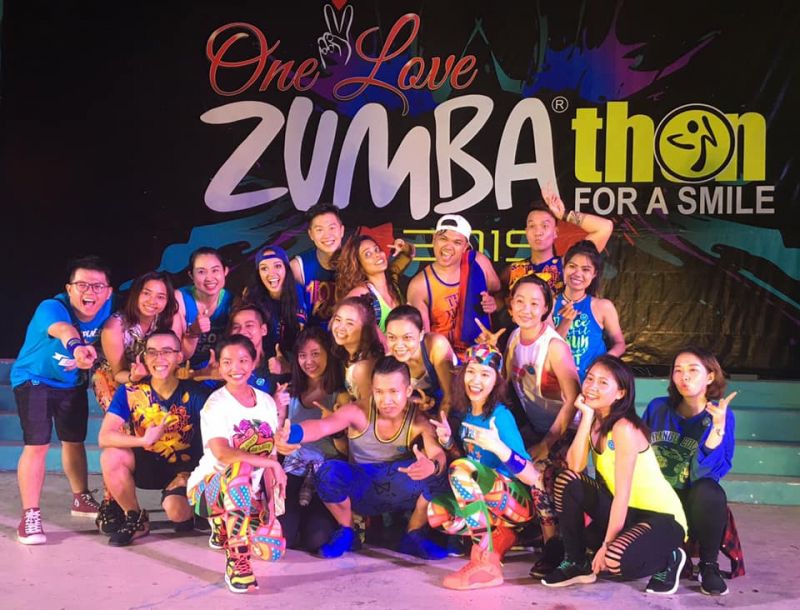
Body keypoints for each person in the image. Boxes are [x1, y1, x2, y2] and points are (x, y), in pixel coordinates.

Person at [542, 355, 688, 596]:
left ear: (620, 393)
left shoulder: (624, 428)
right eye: (590, 379)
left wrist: (607, 544)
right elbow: (574, 466)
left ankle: (671, 556)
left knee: (614, 560)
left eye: (603, 383)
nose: (592, 387)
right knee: (567, 481)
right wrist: (586, 416)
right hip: (627, 513)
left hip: (662, 518)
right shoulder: (594, 421)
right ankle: (576, 562)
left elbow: (623, 494)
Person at [277, 355, 449, 560]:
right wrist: (291, 434)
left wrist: (431, 465)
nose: (386, 400)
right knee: (328, 471)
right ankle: (347, 531)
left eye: (394, 391)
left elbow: (437, 453)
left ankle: (414, 534)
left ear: (408, 391)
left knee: (442, 473)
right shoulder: (358, 411)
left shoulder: (419, 419)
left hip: (400, 489)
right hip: (362, 490)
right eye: (379, 392)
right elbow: (322, 426)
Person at [11, 256, 113, 544]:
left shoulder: (109, 309)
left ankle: (81, 498)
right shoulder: (52, 307)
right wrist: (78, 348)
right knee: (38, 445)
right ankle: (30, 515)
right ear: (69, 289)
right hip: (34, 378)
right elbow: (63, 330)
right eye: (82, 285)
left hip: (70, 383)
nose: (90, 292)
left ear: (108, 292)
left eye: (97, 286)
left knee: (74, 440)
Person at [427, 344, 540, 590]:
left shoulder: (501, 416)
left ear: (496, 381)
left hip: (517, 502)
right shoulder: (467, 413)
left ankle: (484, 560)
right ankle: (501, 537)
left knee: (460, 470)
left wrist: (499, 447)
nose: (476, 380)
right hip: (489, 500)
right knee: (437, 512)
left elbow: (532, 477)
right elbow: (469, 463)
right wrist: (447, 441)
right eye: (471, 372)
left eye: (485, 374)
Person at [187, 335, 288, 594]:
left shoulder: (266, 401)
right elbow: (223, 453)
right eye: (227, 362)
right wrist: (272, 465)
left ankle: (224, 526)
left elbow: (270, 454)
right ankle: (237, 561)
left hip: (247, 493)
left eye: (243, 360)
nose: (236, 368)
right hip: (206, 491)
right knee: (239, 467)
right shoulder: (215, 404)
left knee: (272, 550)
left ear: (254, 362)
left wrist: (270, 507)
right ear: (219, 366)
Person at [499, 274, 582, 576]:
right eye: (520, 301)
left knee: (537, 472)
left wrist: (547, 443)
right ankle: (512, 529)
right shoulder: (514, 338)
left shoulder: (554, 348)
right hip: (535, 426)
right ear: (511, 306)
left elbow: (574, 401)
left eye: (535, 303)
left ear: (547, 308)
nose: (526, 309)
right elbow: (506, 386)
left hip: (567, 431)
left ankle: (553, 545)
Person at [97, 330, 210, 545]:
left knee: (177, 513)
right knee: (111, 456)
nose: (159, 358)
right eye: (152, 352)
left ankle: (189, 506)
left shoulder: (196, 394)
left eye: (166, 351)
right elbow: (105, 436)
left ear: (179, 356)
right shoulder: (131, 391)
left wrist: (196, 477)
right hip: (147, 463)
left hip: (184, 469)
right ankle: (134, 517)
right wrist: (142, 441)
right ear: (144, 357)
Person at [643, 346, 739, 596]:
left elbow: (706, 473)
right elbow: (639, 452)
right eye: (678, 370)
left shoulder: (720, 416)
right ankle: (670, 561)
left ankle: (708, 566)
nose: (684, 376)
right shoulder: (657, 408)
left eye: (693, 370)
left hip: (694, 499)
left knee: (710, 491)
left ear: (710, 376)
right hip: (657, 497)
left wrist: (716, 429)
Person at [277, 326, 345, 552]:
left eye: (315, 354)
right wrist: (277, 408)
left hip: (325, 473)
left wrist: (334, 428)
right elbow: (278, 434)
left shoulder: (340, 395)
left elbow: (347, 449)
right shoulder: (289, 392)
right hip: (293, 470)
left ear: (328, 355)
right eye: (302, 355)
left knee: (316, 540)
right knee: (283, 537)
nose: (309, 361)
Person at [407, 214, 500, 359]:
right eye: (443, 239)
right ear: (434, 239)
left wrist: (494, 303)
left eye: (457, 242)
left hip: (481, 355)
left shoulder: (478, 263)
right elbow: (423, 341)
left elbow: (501, 294)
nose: (448, 247)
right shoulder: (420, 286)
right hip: (444, 360)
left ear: (465, 247)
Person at [502, 186, 614, 296]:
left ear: (555, 232)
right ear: (526, 232)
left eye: (545, 226)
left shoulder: (567, 265)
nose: (538, 232)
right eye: (532, 226)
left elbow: (605, 227)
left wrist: (564, 214)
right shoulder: (513, 270)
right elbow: (498, 296)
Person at [93, 271, 179, 410]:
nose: (152, 301)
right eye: (146, 293)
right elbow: (118, 374)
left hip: (152, 373)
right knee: (132, 417)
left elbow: (174, 357)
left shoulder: (167, 320)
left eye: (160, 296)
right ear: (136, 294)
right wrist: (134, 377)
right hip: (116, 376)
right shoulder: (115, 326)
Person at [552, 240, 625, 381]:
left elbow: (620, 344)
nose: (577, 273)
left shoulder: (602, 306)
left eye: (585, 269)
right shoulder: (549, 303)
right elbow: (545, 347)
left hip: (591, 384)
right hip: (555, 383)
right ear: (564, 267)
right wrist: (565, 322)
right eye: (572, 266)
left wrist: (601, 363)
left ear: (594, 274)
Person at [243, 245, 307, 374]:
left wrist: (289, 367)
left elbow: (303, 339)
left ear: (286, 268)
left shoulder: (298, 292)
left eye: (277, 266)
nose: (271, 273)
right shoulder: (252, 297)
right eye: (264, 268)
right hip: (260, 360)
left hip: (294, 362)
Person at [385, 305, 457, 416]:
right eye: (392, 338)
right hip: (425, 411)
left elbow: (450, 396)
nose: (399, 345)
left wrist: (438, 425)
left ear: (421, 334)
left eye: (407, 337)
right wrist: (414, 401)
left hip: (455, 405)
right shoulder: (390, 362)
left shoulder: (436, 346)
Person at [335, 234, 415, 332]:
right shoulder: (361, 293)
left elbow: (409, 253)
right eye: (368, 254)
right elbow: (339, 322)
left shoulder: (392, 277)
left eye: (377, 249)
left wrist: (402, 246)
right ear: (359, 265)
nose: (377, 255)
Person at [174, 247, 233, 369]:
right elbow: (176, 357)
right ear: (191, 275)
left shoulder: (233, 302)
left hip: (220, 370)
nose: (209, 278)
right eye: (201, 272)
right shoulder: (179, 299)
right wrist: (193, 333)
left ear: (225, 271)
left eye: (215, 270)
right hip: (183, 371)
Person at [290, 203, 345, 327]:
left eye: (332, 228)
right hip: (311, 336)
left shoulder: (356, 261)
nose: (327, 235)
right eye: (319, 230)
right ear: (311, 235)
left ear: (342, 231)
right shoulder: (298, 267)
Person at [330, 295, 385, 405]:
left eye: (350, 323)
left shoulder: (363, 368)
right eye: (338, 319)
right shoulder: (347, 353)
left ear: (365, 329)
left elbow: (369, 409)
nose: (340, 327)